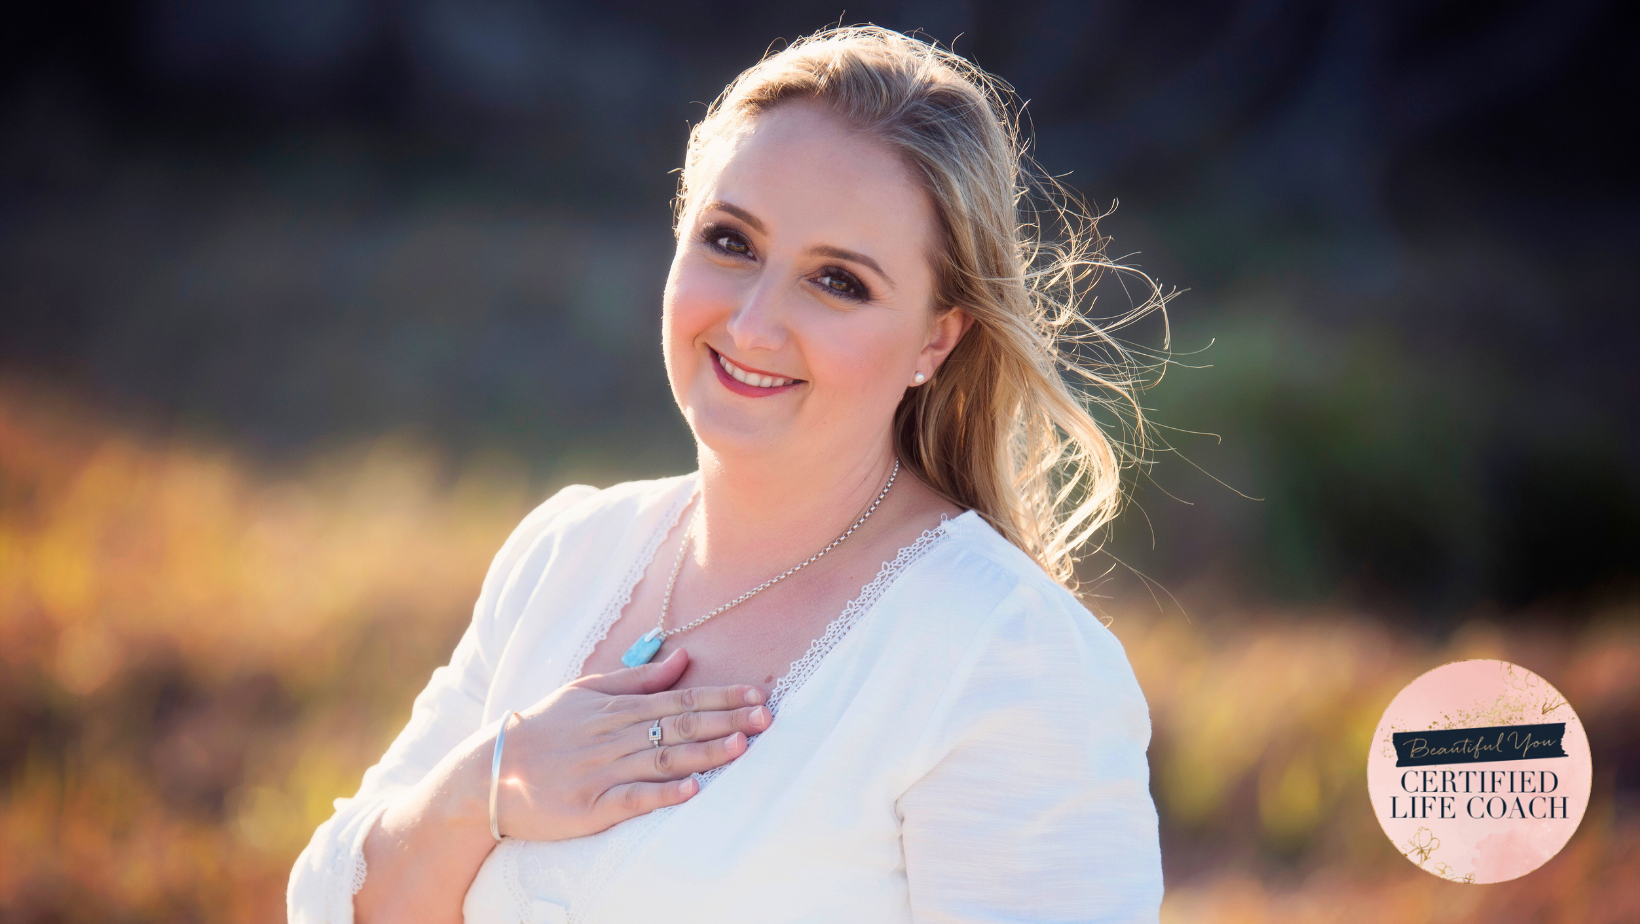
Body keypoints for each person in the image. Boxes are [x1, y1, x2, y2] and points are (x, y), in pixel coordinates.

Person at [289, 25, 1165, 924]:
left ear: (936, 340)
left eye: (838, 282)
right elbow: (334, 906)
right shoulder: (567, 553)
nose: (751, 325)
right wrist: (489, 786)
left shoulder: (1008, 658)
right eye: (731, 241)